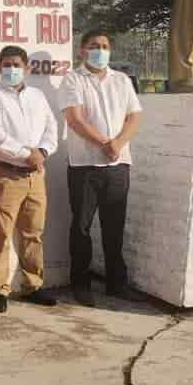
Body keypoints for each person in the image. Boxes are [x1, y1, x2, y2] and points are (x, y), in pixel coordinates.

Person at [60, 30, 145, 307]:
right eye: (94, 46)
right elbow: (75, 119)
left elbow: (134, 116)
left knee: (114, 227)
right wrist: (105, 143)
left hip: (118, 165)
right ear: (82, 50)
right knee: (82, 228)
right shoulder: (72, 79)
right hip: (85, 166)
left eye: (105, 46)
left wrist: (118, 144)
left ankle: (116, 284)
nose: (100, 50)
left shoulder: (121, 80)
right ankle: (81, 284)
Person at [0, 46, 59, 313]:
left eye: (16, 64)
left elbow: (51, 128)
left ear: (27, 68)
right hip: (5, 175)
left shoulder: (37, 95)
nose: (12, 69)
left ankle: (32, 285)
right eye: (7, 64)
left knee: (32, 233)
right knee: (0, 234)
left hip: (36, 176)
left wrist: (43, 152)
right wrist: (29, 155)